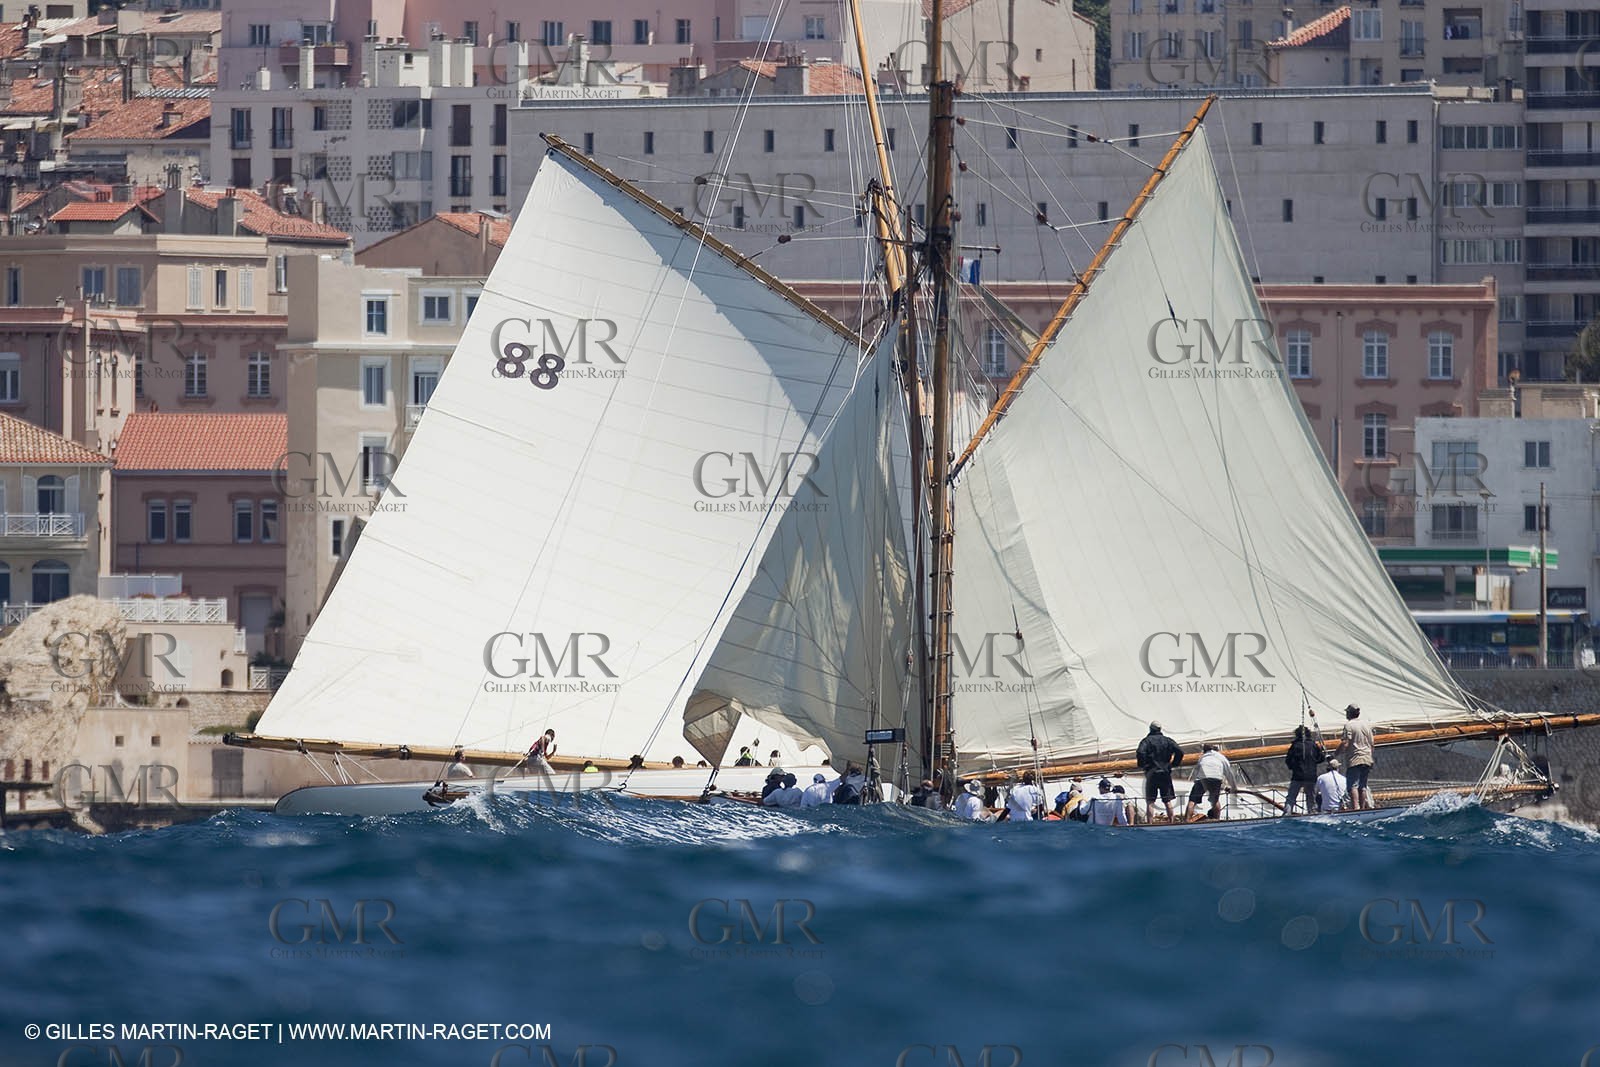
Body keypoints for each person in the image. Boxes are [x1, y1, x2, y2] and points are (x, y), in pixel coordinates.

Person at [1136, 721, 1184, 822]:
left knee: (1150, 801)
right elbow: (1180, 751)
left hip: (1152, 773)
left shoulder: (1146, 741)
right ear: (1160, 729)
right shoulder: (1168, 741)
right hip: (1165, 773)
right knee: (1167, 800)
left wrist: (1143, 765)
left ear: (1150, 729)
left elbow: (1141, 752)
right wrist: (1173, 764)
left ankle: (1150, 823)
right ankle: (1171, 821)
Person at [1337, 704, 1376, 810]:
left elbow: (1345, 743)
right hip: (1367, 758)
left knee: (1352, 786)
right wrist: (1370, 757)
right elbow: (1372, 744)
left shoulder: (1349, 725)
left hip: (1355, 759)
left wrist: (1335, 754)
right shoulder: (1367, 725)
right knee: (1362, 786)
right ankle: (1362, 808)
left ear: (1349, 713)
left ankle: (1356, 808)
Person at [1184, 743, 1236, 821]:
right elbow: (1229, 773)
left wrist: (1196, 782)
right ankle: (1217, 820)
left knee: (1192, 800)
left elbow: (1197, 770)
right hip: (1216, 779)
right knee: (1215, 801)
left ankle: (1187, 821)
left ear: (1204, 751)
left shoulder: (1202, 757)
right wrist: (1234, 787)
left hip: (1202, 779)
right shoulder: (1221, 757)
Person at [1283, 724, 1327, 815]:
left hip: (1297, 775)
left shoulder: (1295, 745)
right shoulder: (1313, 745)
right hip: (1311, 776)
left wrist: (1293, 767)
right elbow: (1321, 758)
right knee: (1311, 798)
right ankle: (1312, 813)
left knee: (1291, 797)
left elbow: (1288, 760)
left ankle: (1287, 813)